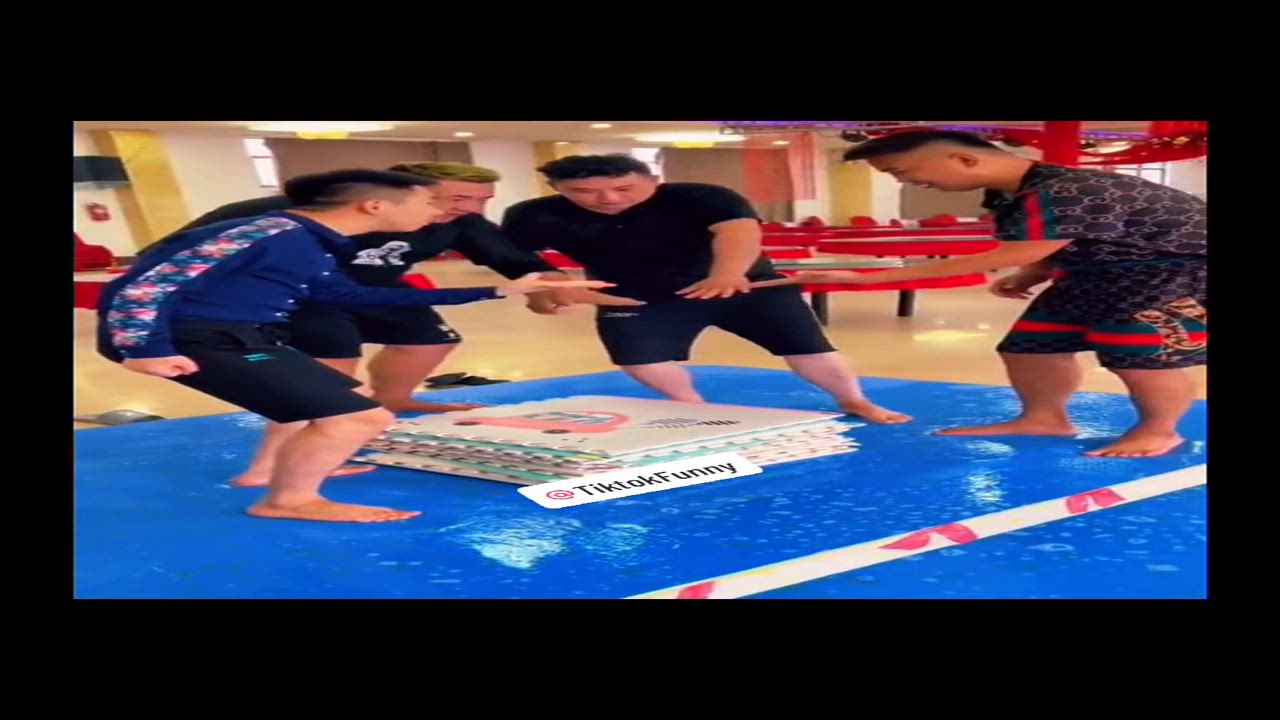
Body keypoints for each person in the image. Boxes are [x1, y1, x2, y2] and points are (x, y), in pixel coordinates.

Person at [98, 169, 610, 522]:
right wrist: (143, 347)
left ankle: (287, 485)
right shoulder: (268, 232)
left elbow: (348, 295)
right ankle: (289, 499)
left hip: (244, 335)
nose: (437, 212)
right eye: (427, 202)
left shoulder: (313, 241)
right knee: (358, 418)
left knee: (349, 407)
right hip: (200, 339)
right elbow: (145, 285)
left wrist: (500, 291)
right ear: (375, 206)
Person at [777, 130, 1206, 458]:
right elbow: (1064, 241)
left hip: (1172, 272)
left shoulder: (1064, 189)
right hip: (1095, 275)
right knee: (1030, 346)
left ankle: (1158, 431)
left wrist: (870, 279)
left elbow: (1017, 249)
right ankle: (1044, 419)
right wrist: (1030, 274)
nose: (909, 182)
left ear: (964, 159)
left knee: (1140, 353)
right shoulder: (1012, 192)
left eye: (902, 172)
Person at [500, 154, 909, 423]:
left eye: (624, 188)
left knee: (809, 348)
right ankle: (692, 407)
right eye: (583, 192)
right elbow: (518, 259)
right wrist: (545, 292)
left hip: (748, 286)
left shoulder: (701, 196)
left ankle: (854, 399)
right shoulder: (534, 214)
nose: (606, 199)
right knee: (640, 360)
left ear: (654, 179)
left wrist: (727, 273)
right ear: (559, 189)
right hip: (637, 295)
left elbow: (738, 231)